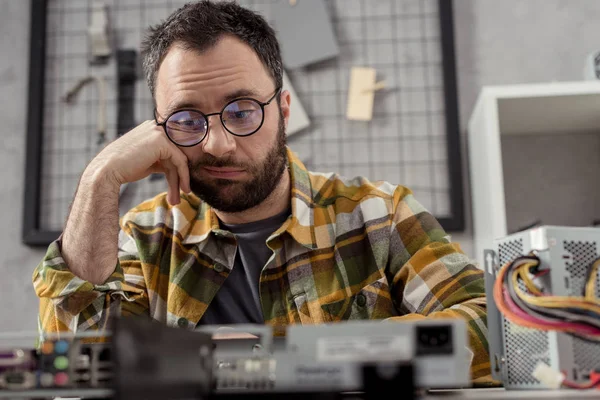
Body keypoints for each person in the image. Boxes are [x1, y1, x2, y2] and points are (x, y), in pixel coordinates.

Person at [32, 0, 491, 385]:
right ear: (158, 131)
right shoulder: (144, 238)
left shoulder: (380, 215)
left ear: (284, 110)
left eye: (243, 110)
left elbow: (488, 325)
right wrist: (99, 179)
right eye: (187, 120)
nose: (218, 143)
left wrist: (302, 359)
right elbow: (76, 366)